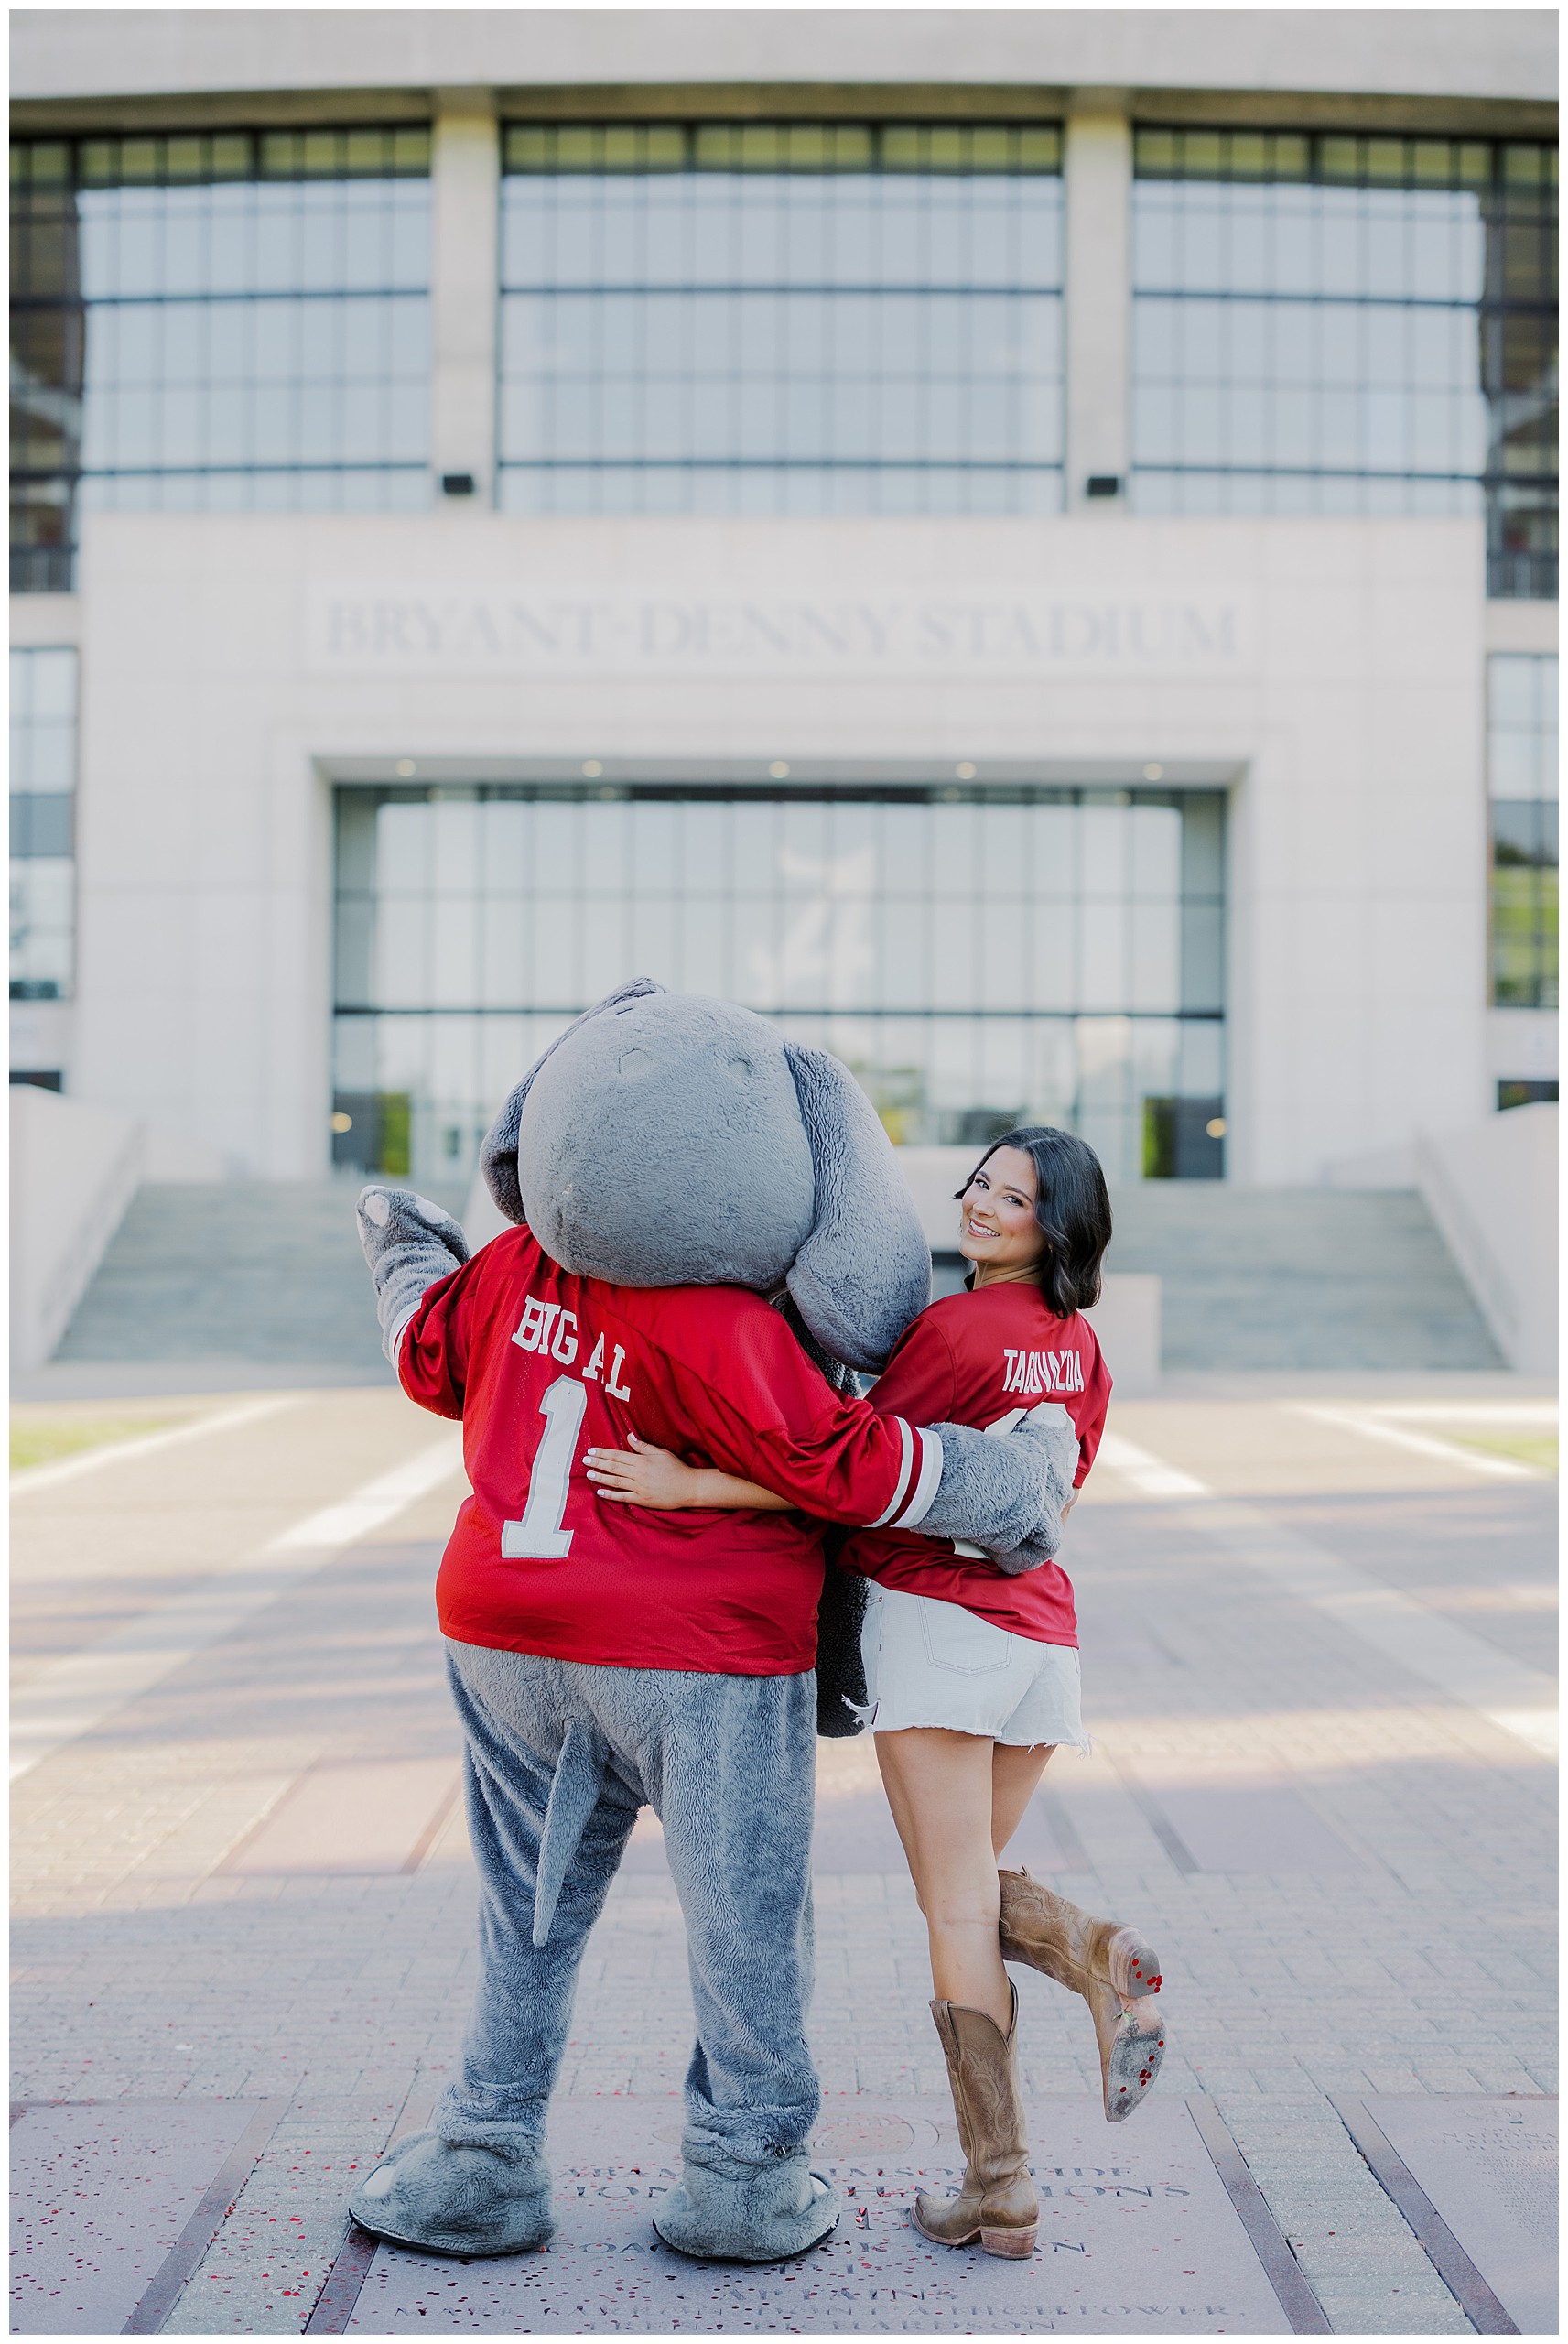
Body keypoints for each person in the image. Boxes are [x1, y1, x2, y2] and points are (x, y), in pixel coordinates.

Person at [587, 1126, 1167, 2263]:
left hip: (943, 1636)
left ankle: (1004, 2176)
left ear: (1061, 1223)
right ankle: (1089, 1971)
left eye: (1016, 1197)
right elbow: (1056, 1493)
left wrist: (694, 1480)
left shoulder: (956, 1330)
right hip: (1043, 1643)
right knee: (966, 1892)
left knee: (953, 1912)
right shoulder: (1081, 1348)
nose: (984, 1205)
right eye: (982, 1183)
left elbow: (843, 1468)